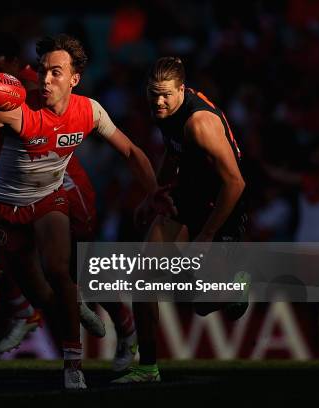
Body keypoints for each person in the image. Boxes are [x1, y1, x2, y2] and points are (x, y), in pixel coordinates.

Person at [0, 34, 173, 389]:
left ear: (74, 79)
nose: (46, 79)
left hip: (49, 201)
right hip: (3, 209)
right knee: (43, 297)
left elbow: (131, 151)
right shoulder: (18, 111)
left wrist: (153, 193)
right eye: (43, 71)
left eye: (56, 72)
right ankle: (70, 308)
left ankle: (73, 365)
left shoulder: (90, 110)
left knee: (59, 268)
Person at [0, 33, 137, 370]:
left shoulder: (24, 84)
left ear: (11, 64)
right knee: (14, 257)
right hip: (14, 185)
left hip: (64, 183)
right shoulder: (7, 88)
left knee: (82, 264)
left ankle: (124, 328)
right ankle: (33, 309)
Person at [113, 57, 248, 384]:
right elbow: (173, 152)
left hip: (220, 204)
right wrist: (154, 194)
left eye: (165, 96)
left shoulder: (199, 124)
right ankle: (148, 368)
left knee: (203, 304)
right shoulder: (165, 110)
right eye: (153, 94)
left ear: (182, 90)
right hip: (187, 194)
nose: (158, 102)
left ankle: (235, 288)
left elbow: (236, 183)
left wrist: (206, 235)